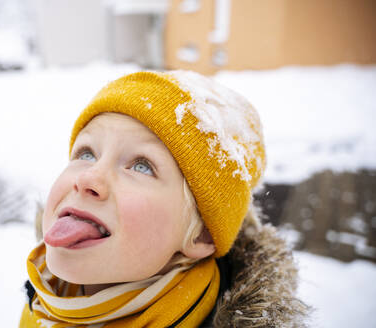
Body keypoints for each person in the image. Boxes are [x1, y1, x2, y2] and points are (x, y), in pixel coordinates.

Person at [19, 71, 309, 327]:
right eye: (86, 154)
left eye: (142, 166)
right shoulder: (42, 300)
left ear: (201, 235)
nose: (87, 179)